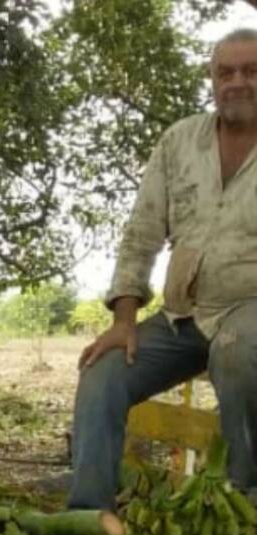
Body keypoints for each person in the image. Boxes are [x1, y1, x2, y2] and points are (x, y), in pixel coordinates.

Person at [69, 28, 257, 510]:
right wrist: (123, 320)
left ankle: (244, 509)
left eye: (252, 71)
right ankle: (88, 516)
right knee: (103, 369)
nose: (237, 82)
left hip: (249, 314)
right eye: (225, 72)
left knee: (236, 353)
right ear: (212, 80)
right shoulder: (179, 142)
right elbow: (142, 231)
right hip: (183, 316)